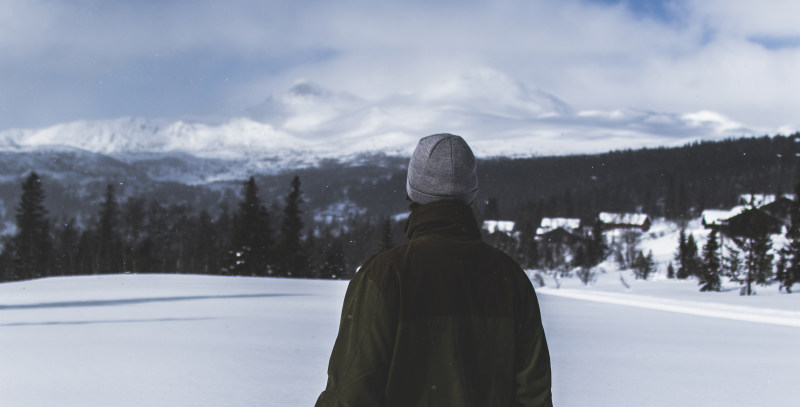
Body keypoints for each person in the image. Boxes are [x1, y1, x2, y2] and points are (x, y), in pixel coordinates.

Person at [316, 133, 552, 406]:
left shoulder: (386, 275)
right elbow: (534, 396)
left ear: (412, 190)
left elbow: (350, 391)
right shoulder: (511, 278)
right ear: (471, 194)